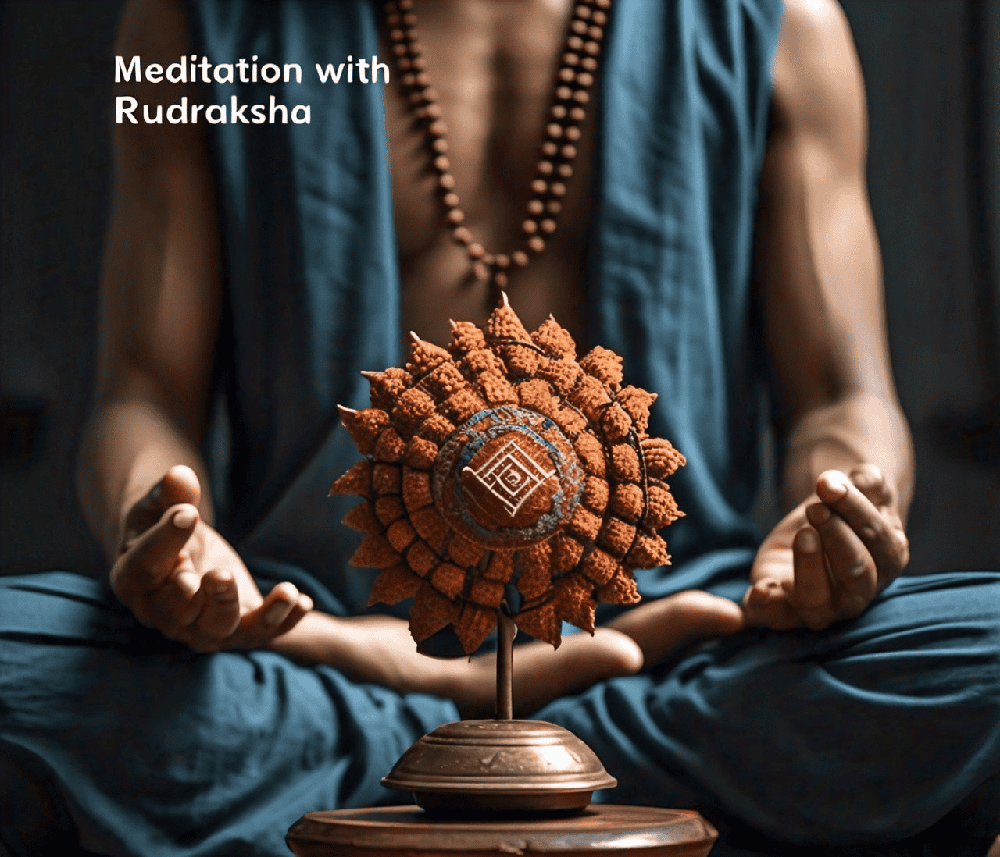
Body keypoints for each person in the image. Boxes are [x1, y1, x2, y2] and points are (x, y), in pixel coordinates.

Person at [1, 0, 998, 854]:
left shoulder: (776, 18)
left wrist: (836, 515)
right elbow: (143, 393)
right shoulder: (191, 21)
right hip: (307, 656)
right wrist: (170, 535)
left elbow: (840, 395)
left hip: (692, 658)